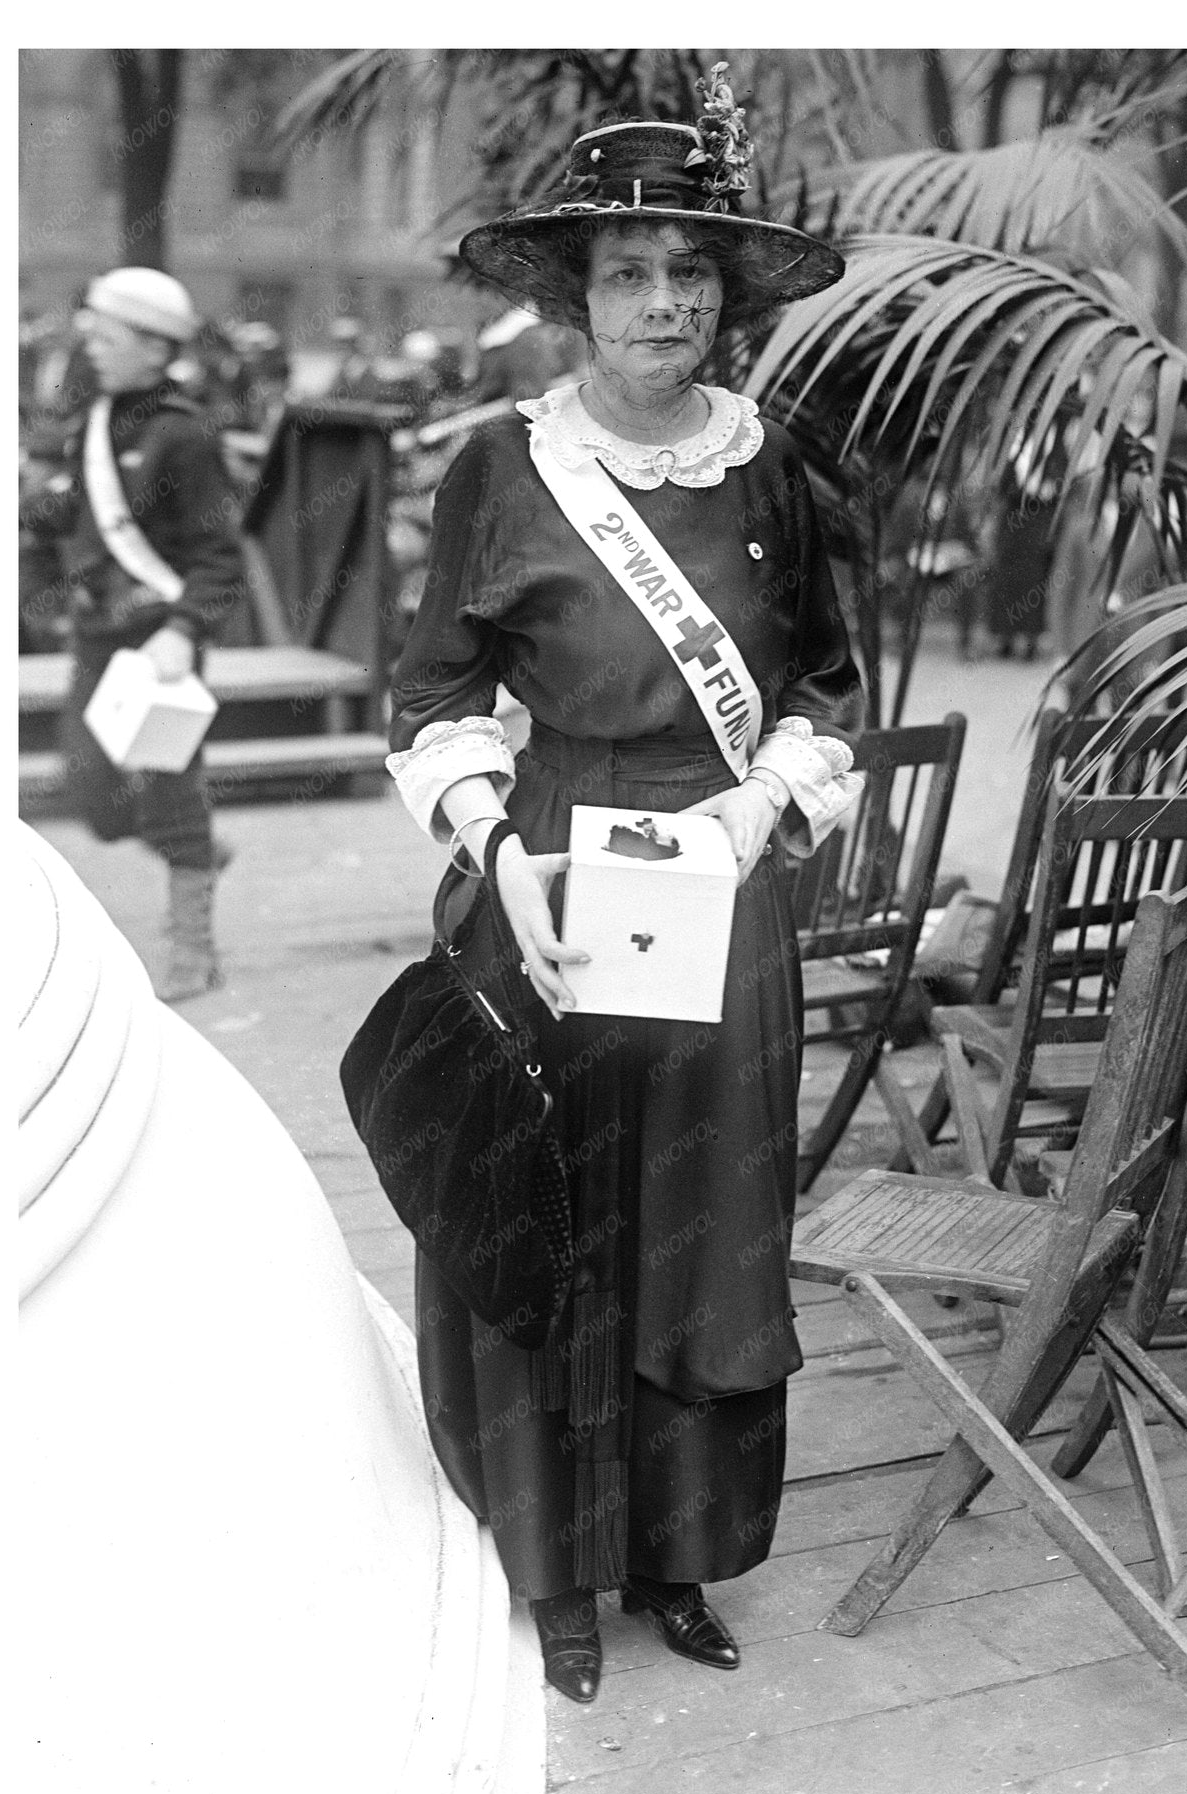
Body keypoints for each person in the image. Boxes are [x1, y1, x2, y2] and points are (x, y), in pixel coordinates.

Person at [385, 76, 862, 1704]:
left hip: (719, 891)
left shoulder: (781, 475)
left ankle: (677, 1555)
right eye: (629, 274)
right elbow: (432, 699)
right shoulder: (497, 475)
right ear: (574, 299)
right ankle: (558, 1563)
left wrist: (748, 819)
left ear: (726, 299)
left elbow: (829, 696)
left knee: (706, 1235)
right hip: (547, 887)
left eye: (690, 276)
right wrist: (498, 853)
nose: (663, 304)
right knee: (559, 1221)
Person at [20, 266, 246, 1002]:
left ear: (154, 347)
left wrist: (186, 630)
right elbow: (57, 522)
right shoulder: (85, 420)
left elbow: (219, 552)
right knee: (89, 784)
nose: (87, 344)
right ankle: (201, 854)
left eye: (103, 334)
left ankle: (193, 949)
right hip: (96, 636)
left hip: (161, 641)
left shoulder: (182, 433)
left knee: (171, 785)